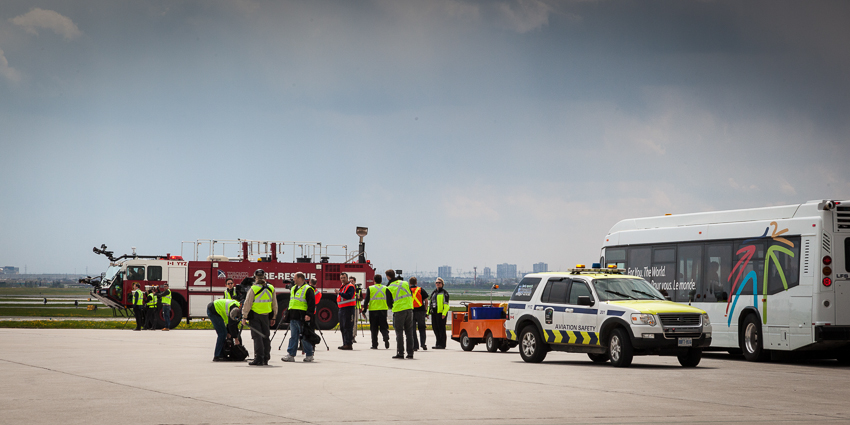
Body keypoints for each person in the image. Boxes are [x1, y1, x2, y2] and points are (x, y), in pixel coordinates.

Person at [241, 269, 278, 366]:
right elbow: (275, 304)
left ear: (255, 278)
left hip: (255, 316)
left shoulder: (253, 289)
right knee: (266, 337)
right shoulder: (271, 288)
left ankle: (258, 358)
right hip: (266, 316)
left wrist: (244, 317)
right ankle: (266, 358)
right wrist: (274, 317)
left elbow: (247, 303)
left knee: (257, 337)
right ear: (265, 277)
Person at [282, 272, 316, 363]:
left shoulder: (308, 289)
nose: (293, 280)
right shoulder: (293, 288)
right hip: (293, 316)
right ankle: (291, 355)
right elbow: (292, 302)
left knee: (304, 336)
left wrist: (309, 314)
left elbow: (311, 303)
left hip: (302, 317)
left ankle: (309, 355)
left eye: (295, 278)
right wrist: (287, 313)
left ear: (300, 278)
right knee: (293, 337)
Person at [386, 269, 414, 359]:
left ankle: (400, 353)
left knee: (399, 332)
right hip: (409, 309)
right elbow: (411, 294)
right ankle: (410, 353)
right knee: (409, 332)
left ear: (388, 277)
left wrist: (393, 307)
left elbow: (389, 303)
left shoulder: (389, 287)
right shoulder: (405, 283)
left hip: (399, 311)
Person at [362, 274, 390, 349]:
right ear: (381, 280)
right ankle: (385, 336)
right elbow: (389, 299)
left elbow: (366, 300)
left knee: (374, 328)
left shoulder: (370, 288)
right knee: (383, 326)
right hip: (383, 310)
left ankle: (374, 345)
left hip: (373, 310)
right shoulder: (385, 288)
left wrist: (364, 310)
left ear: (374, 280)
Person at [409, 277, 429, 351]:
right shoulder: (421, 289)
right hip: (421, 311)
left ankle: (415, 346)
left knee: (413, 329)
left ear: (409, 283)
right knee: (422, 328)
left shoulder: (408, 290)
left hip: (411, 311)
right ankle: (423, 344)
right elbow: (426, 301)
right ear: (416, 283)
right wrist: (425, 309)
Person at [336, 272, 356, 350]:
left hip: (348, 309)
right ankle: (345, 343)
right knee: (343, 327)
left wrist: (340, 293)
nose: (342, 279)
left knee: (347, 327)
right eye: (341, 278)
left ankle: (348, 344)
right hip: (342, 308)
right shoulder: (343, 286)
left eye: (344, 277)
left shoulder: (350, 286)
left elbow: (349, 296)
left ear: (347, 278)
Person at [430, 277, 450, 349]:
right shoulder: (434, 293)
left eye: (439, 283)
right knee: (435, 328)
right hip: (434, 313)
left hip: (441, 313)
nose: (438, 284)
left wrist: (444, 313)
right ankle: (438, 343)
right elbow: (431, 303)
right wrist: (428, 312)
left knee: (441, 328)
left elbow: (446, 305)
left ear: (442, 284)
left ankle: (442, 344)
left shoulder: (444, 293)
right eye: (436, 283)